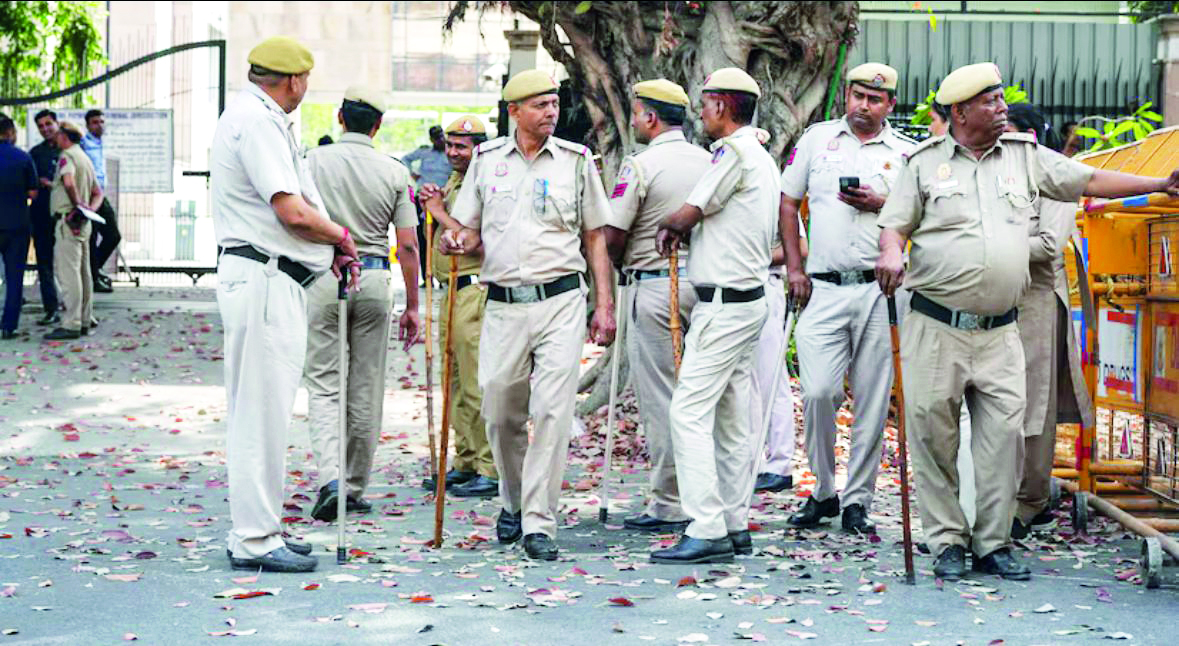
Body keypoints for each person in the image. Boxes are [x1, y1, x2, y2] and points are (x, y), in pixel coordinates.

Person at [877, 62, 1179, 581]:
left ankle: (993, 543)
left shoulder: (1025, 157)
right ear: (961, 112)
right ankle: (947, 539)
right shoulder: (924, 165)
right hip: (935, 326)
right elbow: (894, 225)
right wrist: (890, 254)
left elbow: (1088, 179)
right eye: (991, 101)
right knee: (934, 436)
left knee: (1002, 441)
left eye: (1000, 99)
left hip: (1001, 331)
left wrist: (1161, 182)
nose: (1001, 107)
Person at [440, 69, 617, 561]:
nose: (551, 112)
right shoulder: (486, 160)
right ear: (514, 111)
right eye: (540, 105)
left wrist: (604, 305)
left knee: (553, 412)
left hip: (561, 301)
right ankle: (514, 501)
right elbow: (471, 233)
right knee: (500, 412)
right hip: (501, 304)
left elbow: (595, 237)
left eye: (555, 104)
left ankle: (540, 521)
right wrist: (452, 235)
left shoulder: (577, 161)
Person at [211, 36, 360, 573]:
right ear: (294, 81)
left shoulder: (260, 117)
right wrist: (342, 237)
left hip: (274, 278)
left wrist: (329, 248)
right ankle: (253, 538)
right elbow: (291, 211)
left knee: (268, 412)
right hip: (264, 277)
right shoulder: (257, 122)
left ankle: (263, 526)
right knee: (259, 414)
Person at [779, 63, 915, 535]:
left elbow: (921, 218)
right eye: (857, 95)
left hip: (881, 291)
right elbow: (787, 202)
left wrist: (882, 204)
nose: (863, 105)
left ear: (890, 105)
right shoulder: (817, 139)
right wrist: (794, 267)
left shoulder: (907, 155)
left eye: (874, 99)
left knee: (874, 401)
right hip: (822, 285)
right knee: (817, 391)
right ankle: (823, 491)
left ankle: (858, 499)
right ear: (848, 96)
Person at [648, 67, 777, 564]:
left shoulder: (735, 153)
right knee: (729, 417)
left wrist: (668, 226)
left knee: (689, 410)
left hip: (726, 305)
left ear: (723, 106)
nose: (700, 113)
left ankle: (706, 525)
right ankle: (734, 520)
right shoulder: (760, 155)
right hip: (745, 301)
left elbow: (688, 211)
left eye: (704, 104)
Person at [303, 86, 422, 522]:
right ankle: (353, 486)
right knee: (367, 385)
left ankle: (330, 478)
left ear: (339, 117)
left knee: (324, 382)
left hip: (324, 274)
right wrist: (413, 305)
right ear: (377, 125)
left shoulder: (311, 162)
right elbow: (407, 246)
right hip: (373, 278)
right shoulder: (394, 172)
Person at [603, 79, 710, 532]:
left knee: (663, 396)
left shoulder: (641, 165)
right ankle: (707, 497)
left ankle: (669, 500)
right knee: (703, 399)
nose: (631, 120)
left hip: (653, 285)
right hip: (705, 286)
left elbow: (612, 233)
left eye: (635, 112)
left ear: (649, 117)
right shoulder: (712, 161)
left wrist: (617, 262)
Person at [1003, 104, 1095, 540]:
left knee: (1034, 405)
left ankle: (1030, 500)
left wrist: (987, 241)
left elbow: (1049, 244)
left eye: (1013, 134)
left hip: (1038, 300)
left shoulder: (1054, 175)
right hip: (1001, 299)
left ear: (1032, 139)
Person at [419, 115, 498, 498]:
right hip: (449, 289)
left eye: (461, 146)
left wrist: (436, 210)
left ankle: (488, 465)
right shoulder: (456, 181)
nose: (453, 152)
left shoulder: (487, 182)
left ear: (479, 148)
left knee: (475, 381)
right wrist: (434, 203)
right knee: (453, 380)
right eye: (449, 145)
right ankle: (465, 461)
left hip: (475, 289)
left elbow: (476, 240)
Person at [42, 122, 102, 342]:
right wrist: (88, 210)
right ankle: (85, 319)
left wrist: (77, 206)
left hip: (68, 221)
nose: (55, 137)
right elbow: (98, 192)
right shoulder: (84, 158)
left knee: (69, 274)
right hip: (83, 223)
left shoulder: (67, 155)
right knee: (84, 274)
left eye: (57, 133)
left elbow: (68, 182)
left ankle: (72, 323)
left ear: (64, 136)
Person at [0, 115, 38, 339]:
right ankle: (8, 325)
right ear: (11, 132)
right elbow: (33, 192)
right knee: (14, 277)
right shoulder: (23, 157)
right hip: (16, 224)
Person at [404, 125, 452, 284]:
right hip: (423, 201)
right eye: (436, 138)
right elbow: (405, 159)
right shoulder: (424, 152)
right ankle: (427, 278)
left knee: (444, 239)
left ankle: (445, 277)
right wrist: (412, 174)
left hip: (443, 202)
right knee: (423, 241)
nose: (439, 140)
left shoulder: (450, 153)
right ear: (431, 139)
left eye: (441, 137)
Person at [81, 109, 121, 293]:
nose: (100, 125)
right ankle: (93, 278)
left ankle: (93, 270)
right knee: (91, 237)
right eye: (95, 122)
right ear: (88, 125)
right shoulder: (84, 143)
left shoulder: (101, 143)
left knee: (113, 235)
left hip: (100, 195)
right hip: (88, 195)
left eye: (102, 122)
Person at [29, 109, 61, 326]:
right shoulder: (35, 153)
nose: (45, 129)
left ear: (56, 123)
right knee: (45, 264)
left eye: (48, 124)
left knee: (71, 264)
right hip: (41, 215)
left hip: (66, 215)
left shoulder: (69, 150)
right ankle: (51, 309)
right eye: (41, 126)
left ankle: (77, 309)